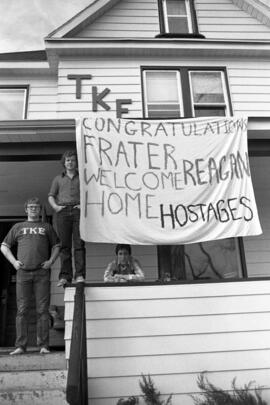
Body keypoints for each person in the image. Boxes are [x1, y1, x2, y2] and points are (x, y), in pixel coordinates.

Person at [0, 197, 60, 355]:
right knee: (22, 310)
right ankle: (20, 346)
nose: (34, 209)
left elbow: (57, 246)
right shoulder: (18, 226)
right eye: (31, 207)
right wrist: (14, 262)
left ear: (40, 210)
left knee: (42, 310)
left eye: (36, 207)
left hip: (42, 273)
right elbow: (4, 246)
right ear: (26, 210)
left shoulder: (46, 227)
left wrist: (51, 261)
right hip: (23, 274)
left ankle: (43, 345)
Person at [48, 150, 86, 287]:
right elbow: (51, 195)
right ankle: (65, 276)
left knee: (79, 244)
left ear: (76, 163)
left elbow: (89, 193)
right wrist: (56, 207)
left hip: (77, 212)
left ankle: (80, 275)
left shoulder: (82, 177)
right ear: (64, 163)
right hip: (62, 212)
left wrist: (83, 205)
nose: (70, 162)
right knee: (64, 245)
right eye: (68, 160)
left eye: (73, 160)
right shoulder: (58, 179)